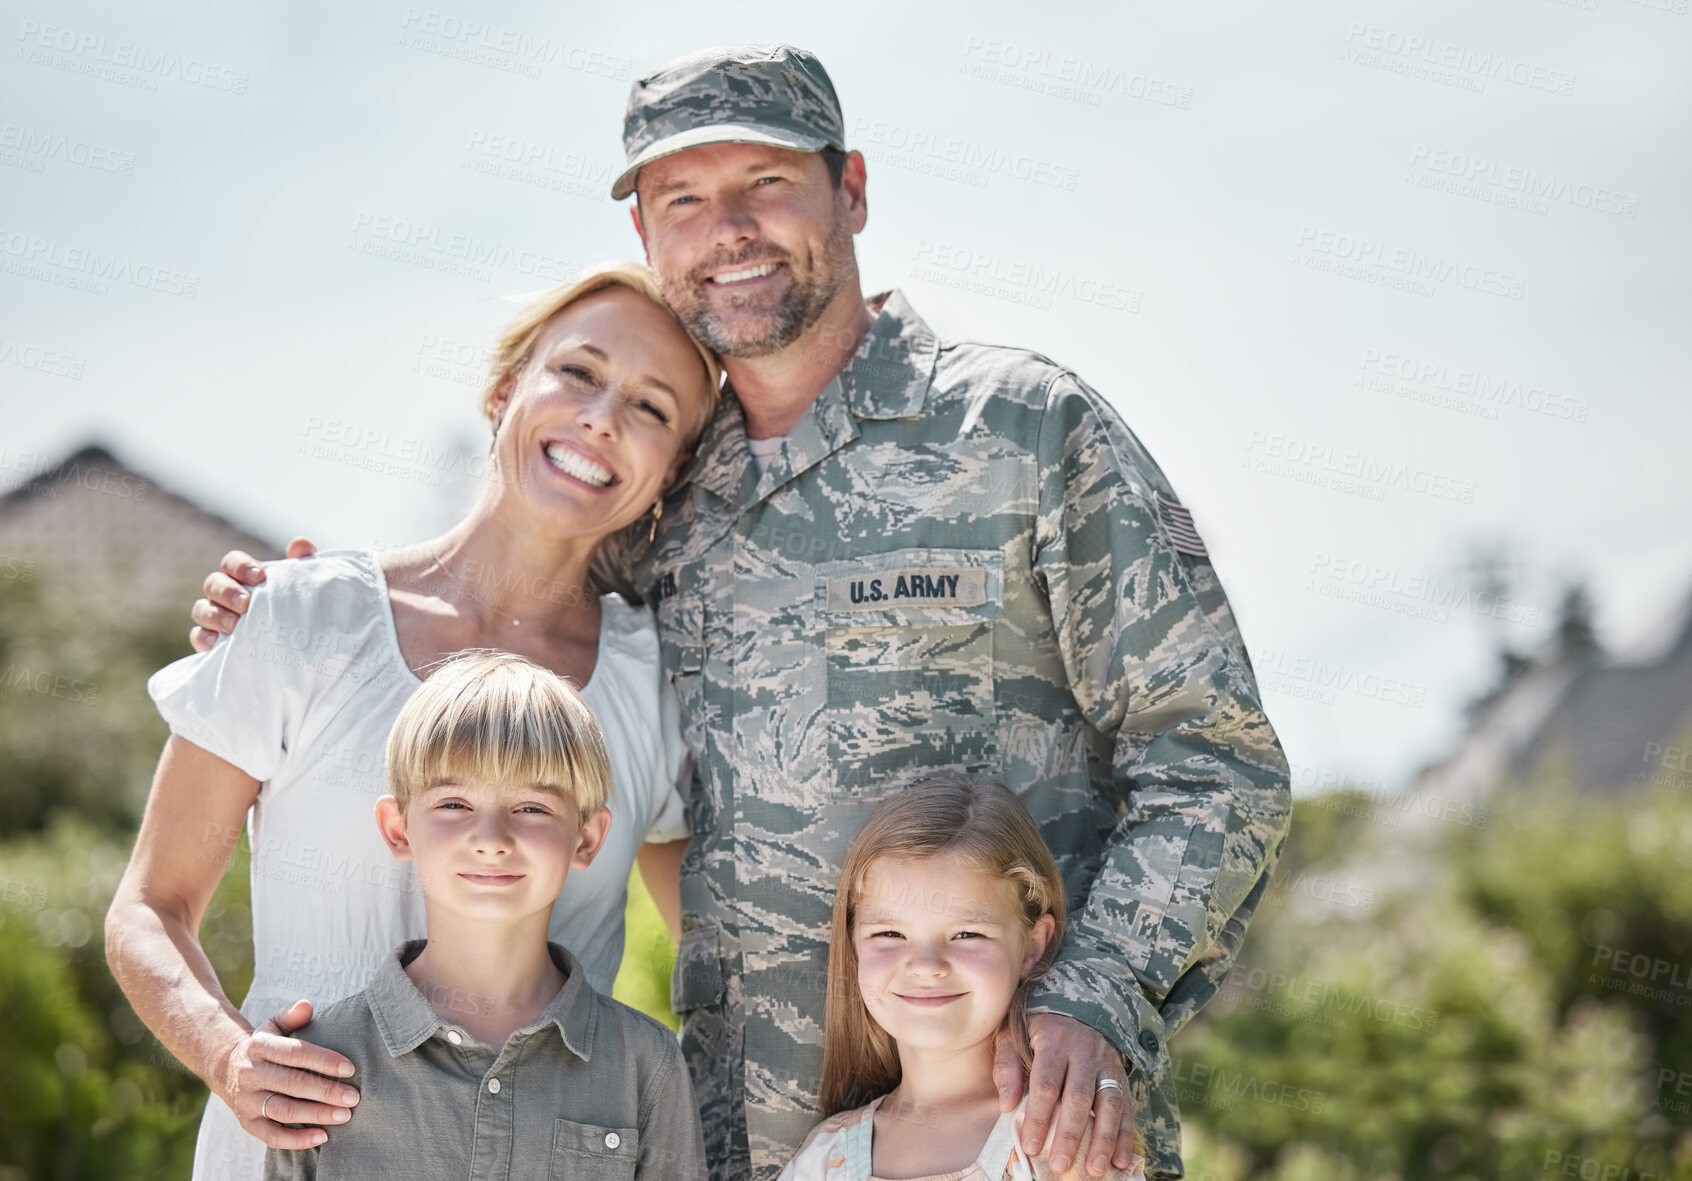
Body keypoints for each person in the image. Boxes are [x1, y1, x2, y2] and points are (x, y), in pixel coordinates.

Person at [189, 43, 1292, 1181]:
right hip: (731, 1144)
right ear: (648, 239)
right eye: (682, 199)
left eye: (767, 183)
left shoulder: (1021, 432)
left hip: (1017, 1133)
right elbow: (504, 625)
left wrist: (1096, 1000)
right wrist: (283, 601)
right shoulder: (653, 497)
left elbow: (1215, 761)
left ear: (850, 189)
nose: (729, 228)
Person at [106, 262, 721, 1181]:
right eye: (580, 373)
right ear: (506, 388)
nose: (602, 418)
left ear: (672, 469)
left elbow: (715, 956)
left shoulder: (653, 680)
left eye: (653, 408)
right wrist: (232, 1058)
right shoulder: (298, 617)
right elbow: (151, 908)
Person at [261, 652, 706, 1180]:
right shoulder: (319, 1060)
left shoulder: (642, 1063)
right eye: (454, 804)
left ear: (587, 839)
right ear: (398, 829)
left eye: (532, 808)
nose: (492, 840)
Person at [778, 775, 1144, 1181]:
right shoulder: (823, 1158)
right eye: (890, 934)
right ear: (853, 943)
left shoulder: (1061, 1141)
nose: (926, 964)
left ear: (1031, 946)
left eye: (967, 934)